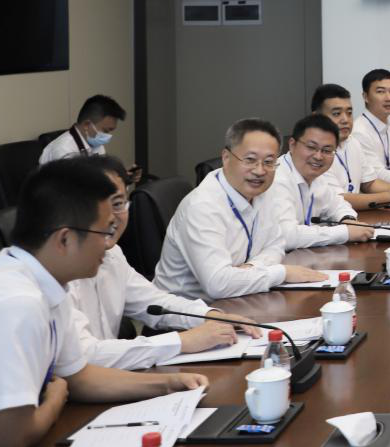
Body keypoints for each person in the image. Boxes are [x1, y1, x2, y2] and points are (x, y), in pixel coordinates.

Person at [0, 160, 208, 447]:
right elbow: (8, 440)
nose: (109, 241)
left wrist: (169, 384)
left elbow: (80, 376)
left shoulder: (46, 280)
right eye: (103, 230)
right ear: (65, 239)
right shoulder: (16, 304)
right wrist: (56, 399)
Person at [67, 155, 263, 370]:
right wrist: (182, 341)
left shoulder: (113, 254)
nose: (112, 217)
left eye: (118, 204)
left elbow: (154, 302)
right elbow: (84, 356)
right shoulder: (59, 272)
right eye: (102, 206)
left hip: (115, 377)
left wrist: (211, 316)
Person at [154, 118, 326, 300]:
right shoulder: (202, 206)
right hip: (188, 310)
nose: (260, 171)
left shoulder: (263, 192)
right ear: (226, 158)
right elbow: (218, 284)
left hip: (239, 298)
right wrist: (282, 273)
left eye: (269, 162)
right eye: (250, 160)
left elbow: (276, 244)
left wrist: (251, 269)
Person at [268, 114, 375, 249]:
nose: (318, 157)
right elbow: (287, 236)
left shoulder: (316, 176)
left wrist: (348, 220)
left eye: (327, 150)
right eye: (311, 147)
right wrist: (345, 232)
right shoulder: (277, 178)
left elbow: (338, 205)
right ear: (292, 145)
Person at [311, 83, 390, 208]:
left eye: (349, 113)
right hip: (326, 218)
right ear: (316, 117)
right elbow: (337, 200)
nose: (345, 119)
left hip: (350, 215)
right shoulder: (314, 154)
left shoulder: (352, 142)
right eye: (336, 114)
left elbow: (369, 183)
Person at [39, 95, 141, 183]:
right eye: (106, 131)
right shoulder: (63, 150)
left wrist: (123, 178)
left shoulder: (96, 144)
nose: (108, 136)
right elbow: (76, 191)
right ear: (87, 125)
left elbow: (100, 178)